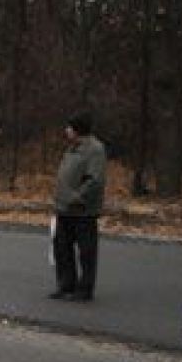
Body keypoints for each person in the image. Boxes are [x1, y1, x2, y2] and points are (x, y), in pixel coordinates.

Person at [51, 113, 107, 302]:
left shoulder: (95, 150)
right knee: (62, 248)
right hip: (64, 208)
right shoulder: (72, 149)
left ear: (78, 130)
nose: (66, 130)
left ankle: (85, 289)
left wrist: (77, 197)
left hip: (83, 210)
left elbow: (95, 179)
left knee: (86, 251)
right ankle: (67, 284)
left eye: (69, 127)